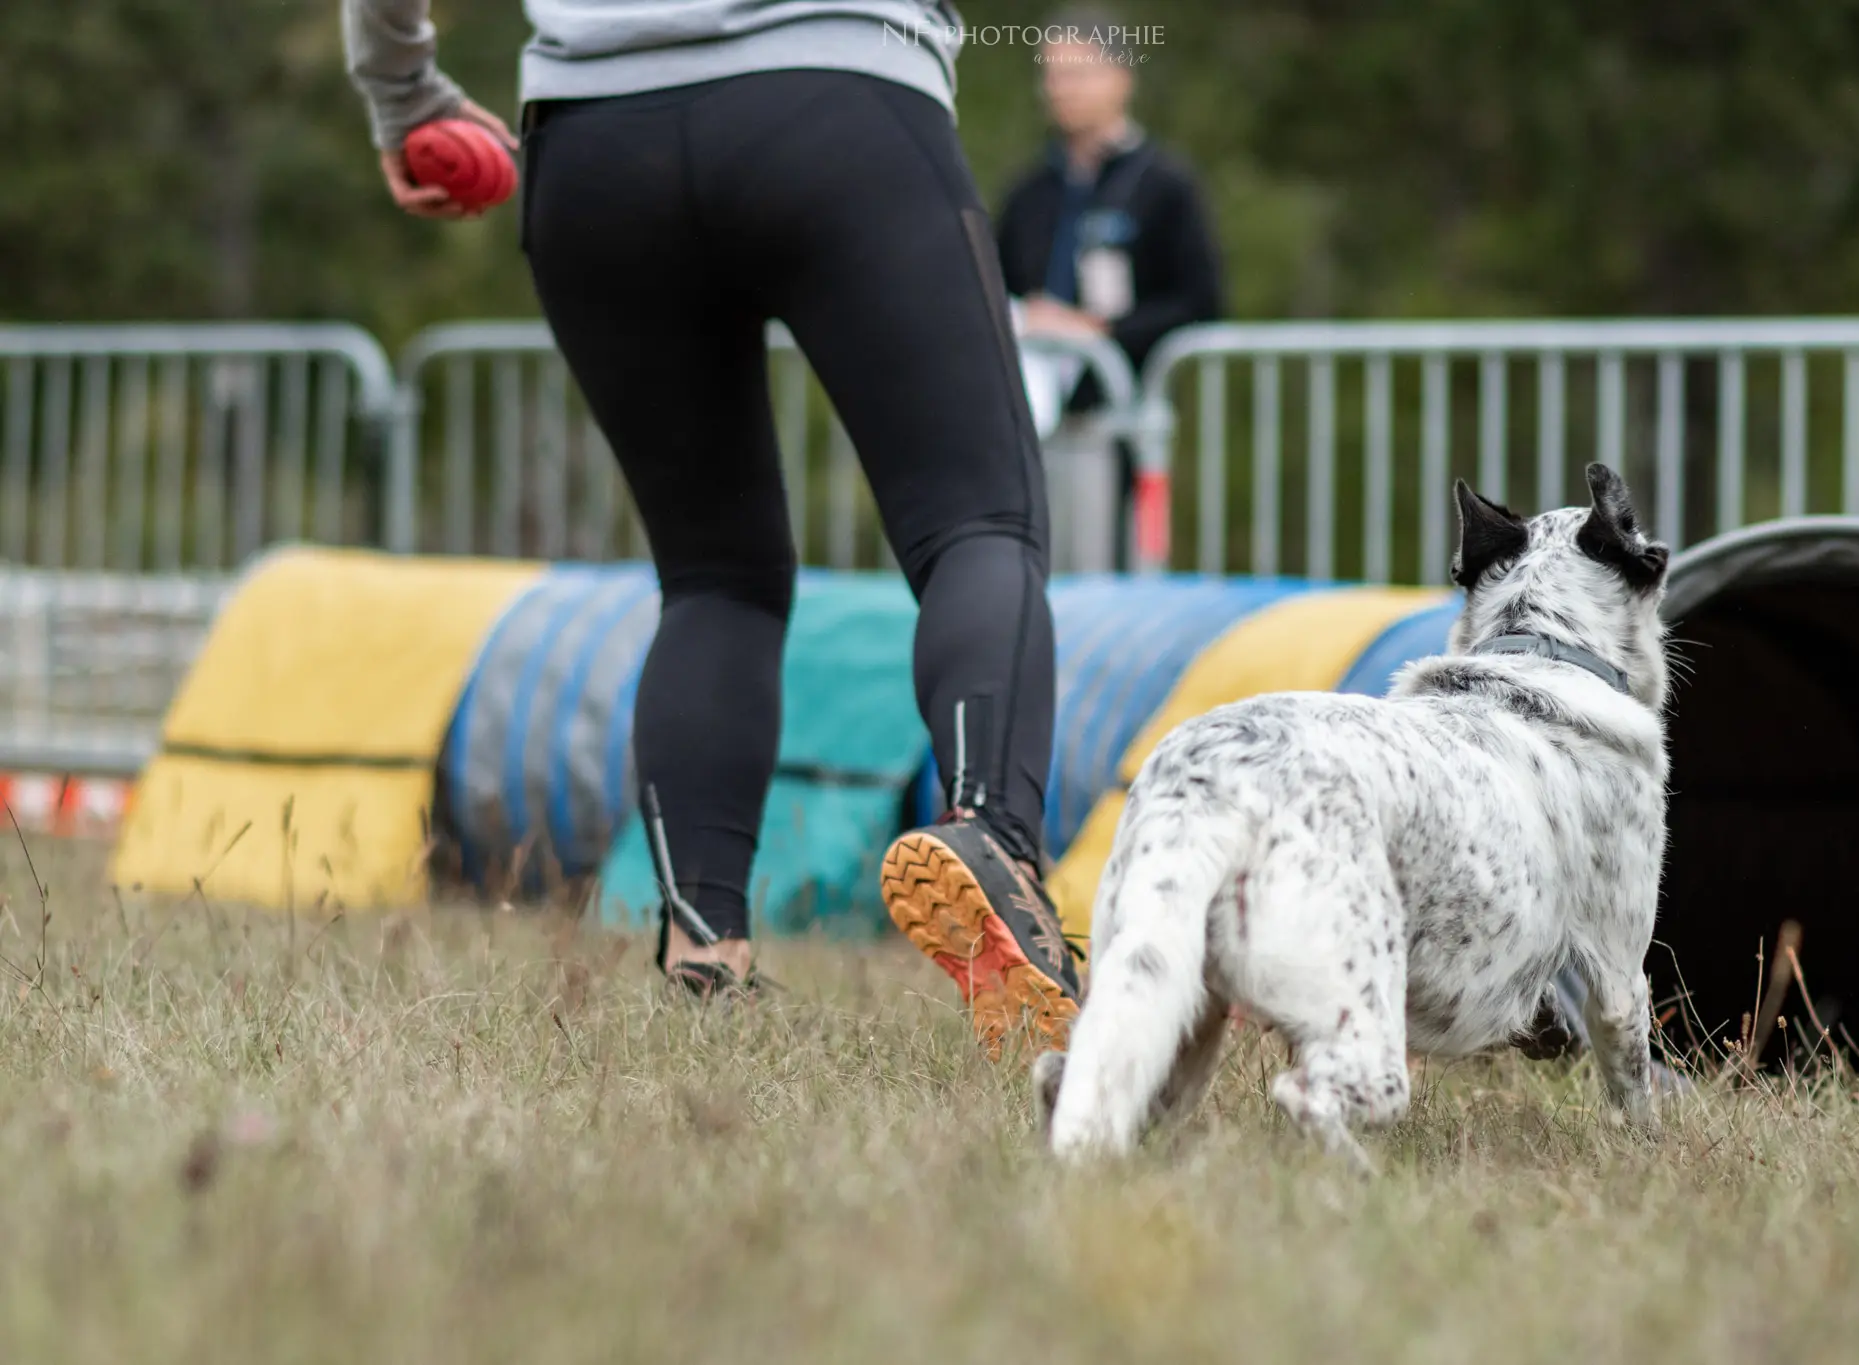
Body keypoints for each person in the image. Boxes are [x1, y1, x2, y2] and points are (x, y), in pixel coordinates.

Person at [344, 1, 1083, 1053]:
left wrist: (401, 91)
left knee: (713, 576)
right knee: (978, 523)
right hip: (838, 102)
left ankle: (703, 946)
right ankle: (988, 841)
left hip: (594, 145)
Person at [997, 10, 1224, 570]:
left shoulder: (1163, 184)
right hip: (1029, 430)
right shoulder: (1029, 192)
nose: (1062, 89)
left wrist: (1101, 333)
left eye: (1078, 73)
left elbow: (1201, 303)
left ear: (1121, 77)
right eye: (1051, 75)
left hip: (1117, 430)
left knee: (1107, 576)